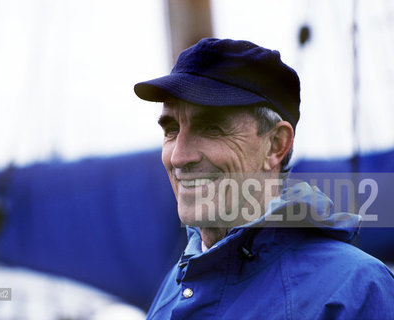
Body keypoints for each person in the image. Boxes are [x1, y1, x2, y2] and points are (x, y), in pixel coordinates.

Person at [134, 38, 394, 319]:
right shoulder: (174, 287)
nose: (178, 157)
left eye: (211, 128)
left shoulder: (353, 289)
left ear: (275, 145)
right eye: (171, 130)